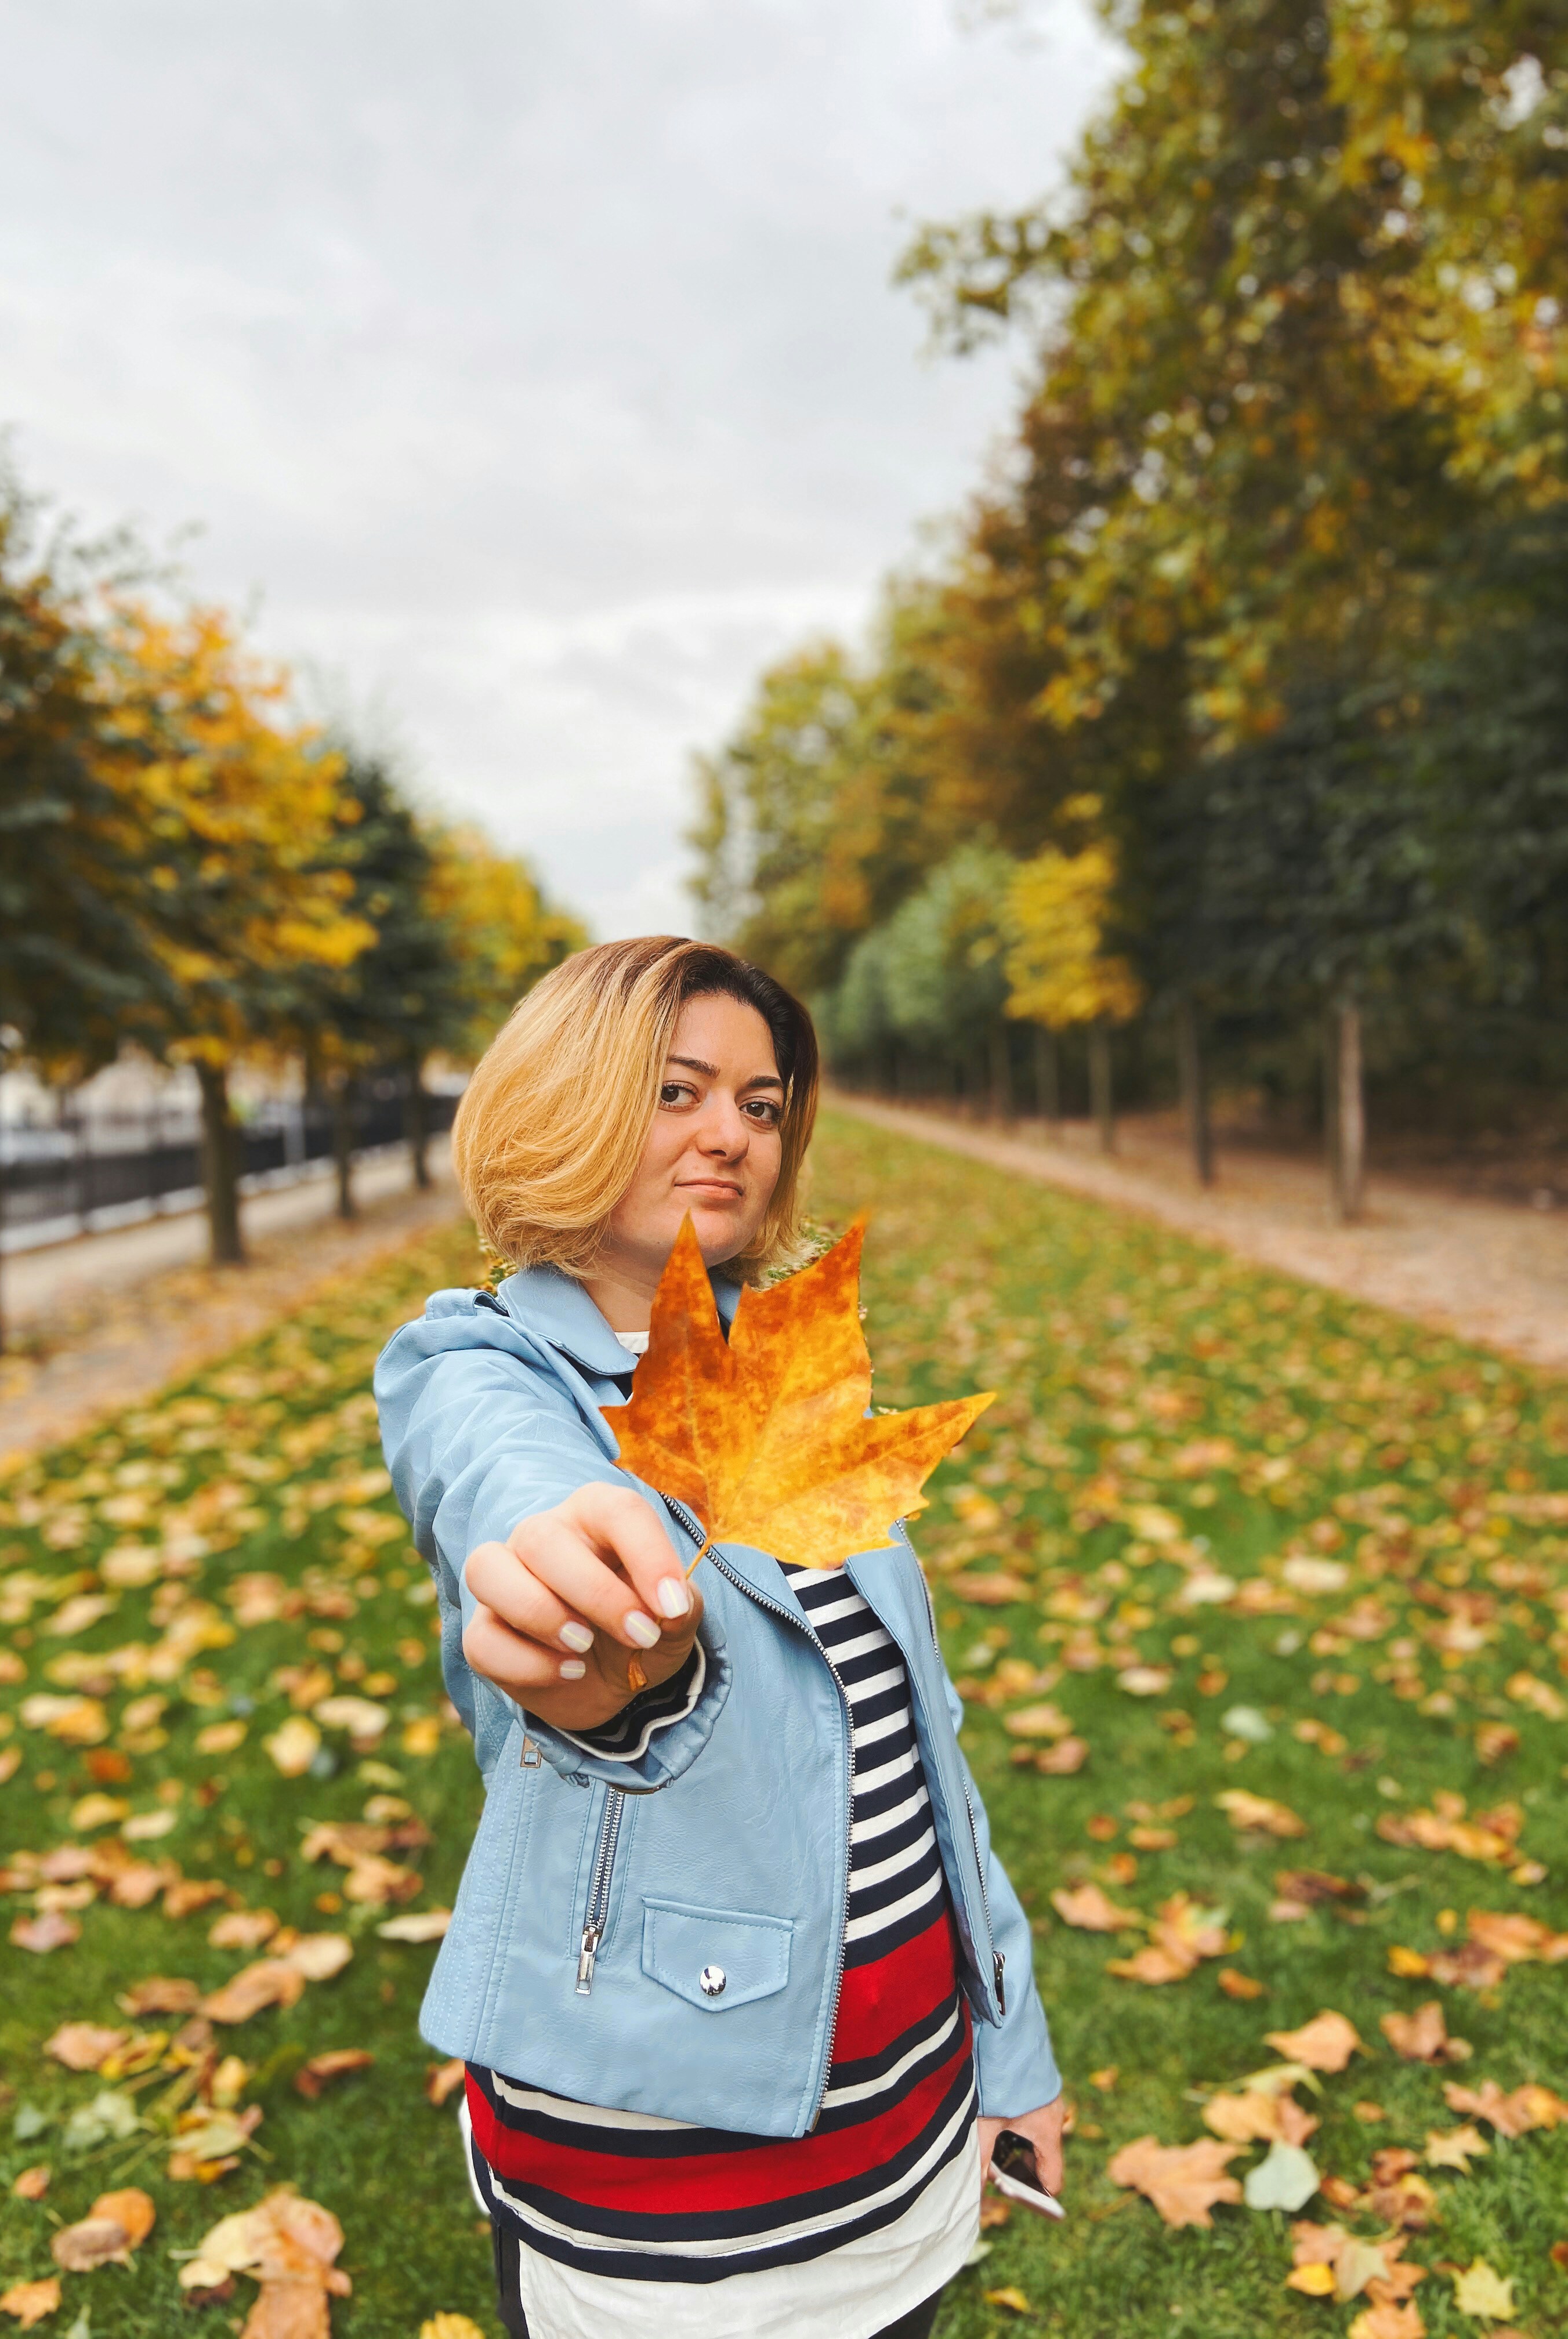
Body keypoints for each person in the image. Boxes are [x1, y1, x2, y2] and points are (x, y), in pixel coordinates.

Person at [374, 936, 1063, 2339]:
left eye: (761, 1104)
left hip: (902, 2137)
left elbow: (924, 1756)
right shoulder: (484, 1368)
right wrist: (570, 1566)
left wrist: (1014, 2050)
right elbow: (497, 1473)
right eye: (678, 1091)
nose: (730, 1137)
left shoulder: (784, 1376)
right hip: (661, 2185)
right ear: (569, 1102)